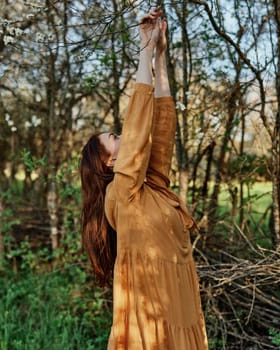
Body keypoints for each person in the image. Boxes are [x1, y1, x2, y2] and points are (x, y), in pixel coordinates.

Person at [80, 9, 209, 349]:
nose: (125, 137)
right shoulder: (121, 193)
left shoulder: (150, 185)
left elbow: (162, 128)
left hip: (178, 309)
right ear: (110, 164)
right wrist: (144, 48)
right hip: (148, 323)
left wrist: (161, 55)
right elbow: (139, 121)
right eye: (115, 139)